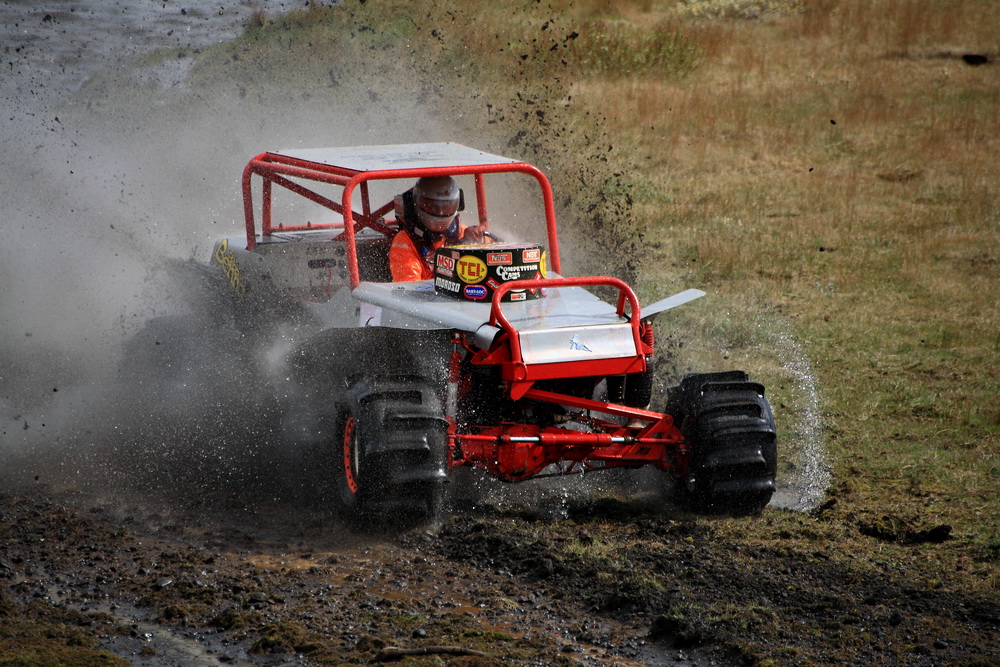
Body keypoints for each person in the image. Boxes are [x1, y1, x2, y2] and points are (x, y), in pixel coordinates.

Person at [389, 176, 488, 281]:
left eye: (447, 207)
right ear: (416, 203)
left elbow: (497, 257)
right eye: (432, 207)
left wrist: (477, 244)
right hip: (427, 296)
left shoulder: (464, 233)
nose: (440, 213)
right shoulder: (404, 242)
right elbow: (409, 289)